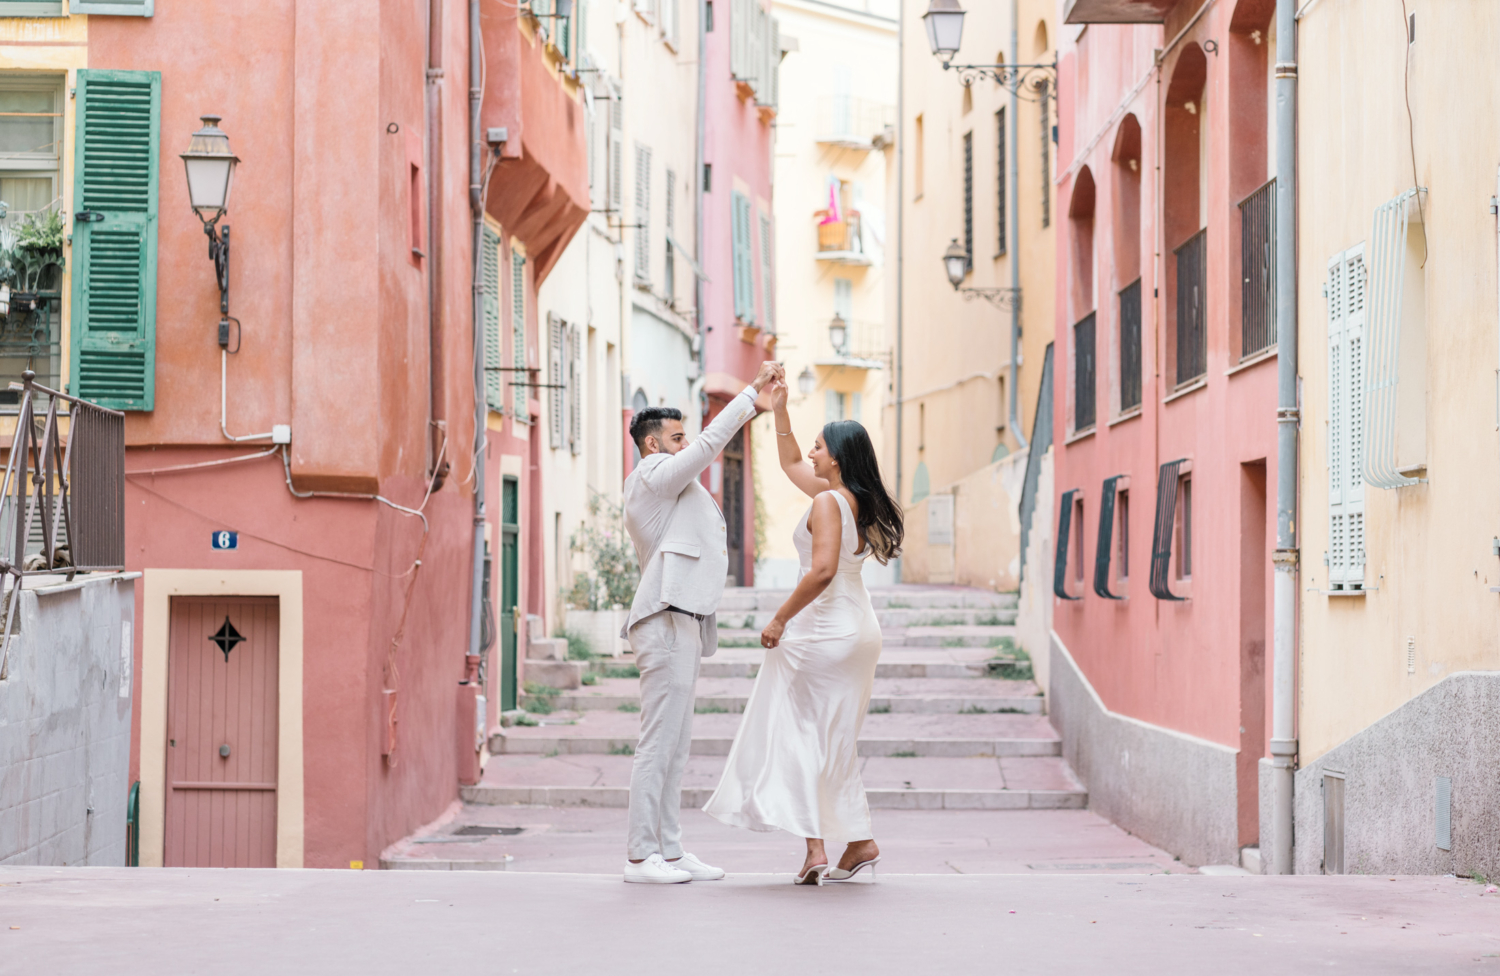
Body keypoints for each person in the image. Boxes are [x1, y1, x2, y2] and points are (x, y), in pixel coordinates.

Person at [702, 374, 904, 884]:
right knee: (828, 738)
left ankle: (819, 847)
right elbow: (790, 462)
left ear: (836, 456)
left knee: (795, 732)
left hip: (826, 633)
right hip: (854, 629)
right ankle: (856, 841)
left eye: (819, 446)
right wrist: (780, 411)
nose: (810, 453)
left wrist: (778, 618)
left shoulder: (827, 502)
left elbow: (821, 571)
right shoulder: (850, 497)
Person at [620, 360, 784, 884]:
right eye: (677, 438)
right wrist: (751, 393)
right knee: (658, 741)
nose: (687, 445)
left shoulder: (670, 484)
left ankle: (668, 849)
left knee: (677, 743)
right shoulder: (649, 477)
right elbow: (711, 444)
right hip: (664, 620)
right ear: (652, 446)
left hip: (684, 621)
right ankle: (640, 856)